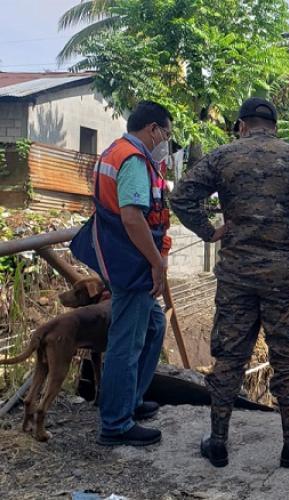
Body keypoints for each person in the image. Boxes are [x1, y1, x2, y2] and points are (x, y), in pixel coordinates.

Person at [170, 97, 289, 468]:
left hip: (236, 276)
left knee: (229, 358)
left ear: (241, 125)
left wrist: (209, 231)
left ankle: (219, 444)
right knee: (287, 359)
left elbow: (181, 197)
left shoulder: (223, 157)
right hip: (282, 276)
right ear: (274, 126)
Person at [70, 101, 173, 446]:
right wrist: (157, 262)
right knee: (126, 343)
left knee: (154, 324)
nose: (167, 141)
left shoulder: (117, 151)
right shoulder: (132, 159)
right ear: (153, 129)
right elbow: (132, 217)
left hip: (121, 256)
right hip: (130, 262)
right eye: (167, 133)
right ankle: (115, 423)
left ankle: (130, 401)